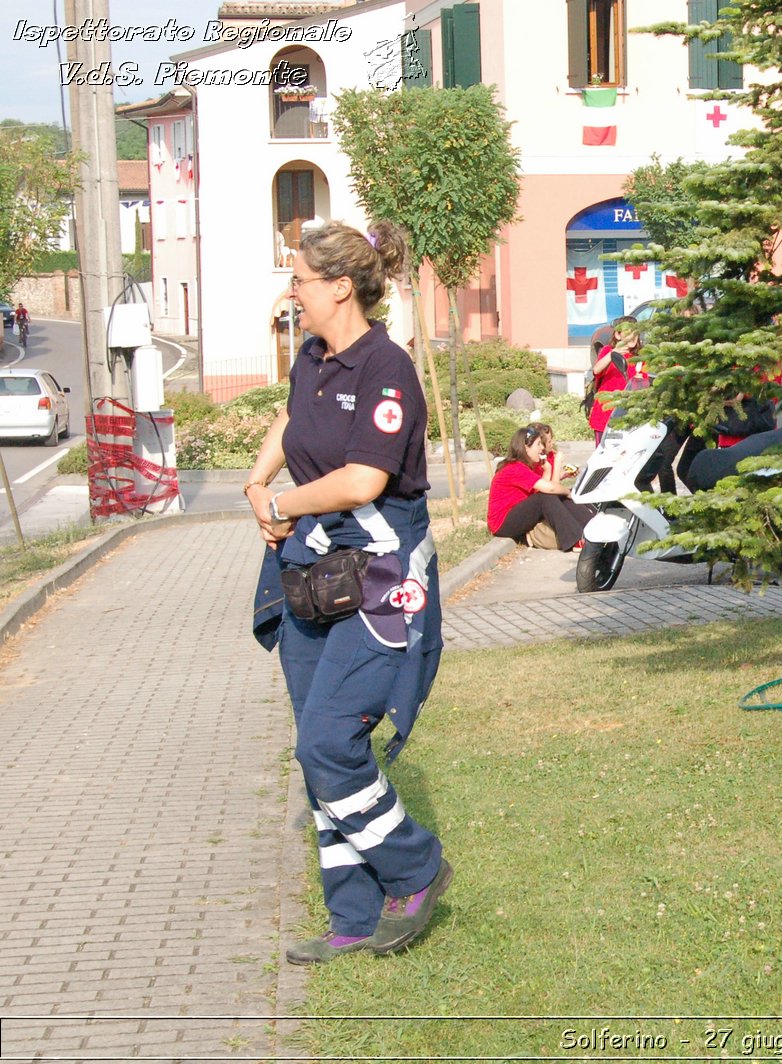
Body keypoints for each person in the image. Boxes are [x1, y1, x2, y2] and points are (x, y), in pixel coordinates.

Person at [244, 219, 451, 965]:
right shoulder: (315, 356)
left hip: (383, 574)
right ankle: (354, 917)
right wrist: (258, 479)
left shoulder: (385, 368)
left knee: (329, 740)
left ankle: (415, 867)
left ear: (338, 287)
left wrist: (282, 506)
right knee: (315, 750)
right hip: (314, 570)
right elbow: (293, 414)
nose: (290, 292)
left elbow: (364, 481)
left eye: (298, 280)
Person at [487, 423, 592, 551]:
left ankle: (591, 527)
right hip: (502, 524)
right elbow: (549, 489)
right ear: (526, 448)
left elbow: (542, 489)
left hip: (519, 513)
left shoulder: (526, 466)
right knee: (548, 496)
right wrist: (567, 492)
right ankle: (574, 540)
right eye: (538, 444)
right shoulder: (514, 468)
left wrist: (547, 471)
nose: (541, 448)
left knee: (554, 495)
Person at [587, 322, 647, 443]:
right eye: (628, 332)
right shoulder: (608, 351)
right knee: (604, 454)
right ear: (618, 335)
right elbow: (596, 370)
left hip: (630, 417)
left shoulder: (641, 356)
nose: (632, 336)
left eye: (635, 332)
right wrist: (612, 353)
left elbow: (647, 383)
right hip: (606, 416)